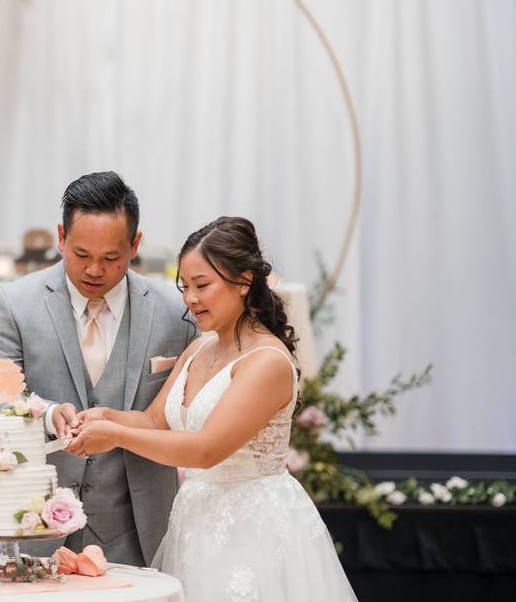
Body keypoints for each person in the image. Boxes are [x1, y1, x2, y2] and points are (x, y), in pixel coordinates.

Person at [68, 216, 357, 600]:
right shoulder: (200, 348)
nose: (189, 298)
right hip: (195, 519)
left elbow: (206, 449)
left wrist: (117, 436)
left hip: (253, 530)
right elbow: (155, 420)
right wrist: (104, 416)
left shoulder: (266, 361)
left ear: (243, 282)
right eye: (185, 286)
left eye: (202, 285)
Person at [0, 172, 195, 566]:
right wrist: (47, 415)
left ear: (135, 245)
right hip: (34, 525)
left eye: (111, 257)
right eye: (81, 254)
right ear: (60, 236)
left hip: (141, 531)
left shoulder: (174, 313)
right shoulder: (13, 304)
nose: (95, 270)